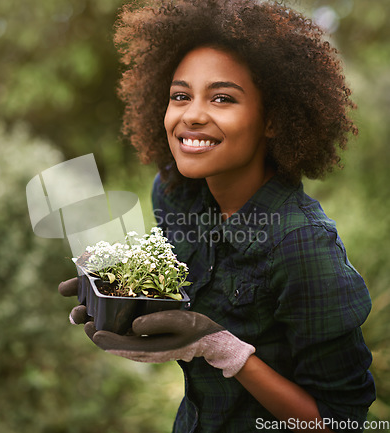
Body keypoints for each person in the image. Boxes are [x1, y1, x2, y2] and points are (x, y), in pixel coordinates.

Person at [58, 0, 376, 431]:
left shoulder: (302, 244)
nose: (192, 115)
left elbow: (342, 423)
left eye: (222, 97)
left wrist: (223, 349)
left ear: (273, 119)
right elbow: (180, 305)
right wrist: (122, 296)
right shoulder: (174, 194)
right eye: (180, 96)